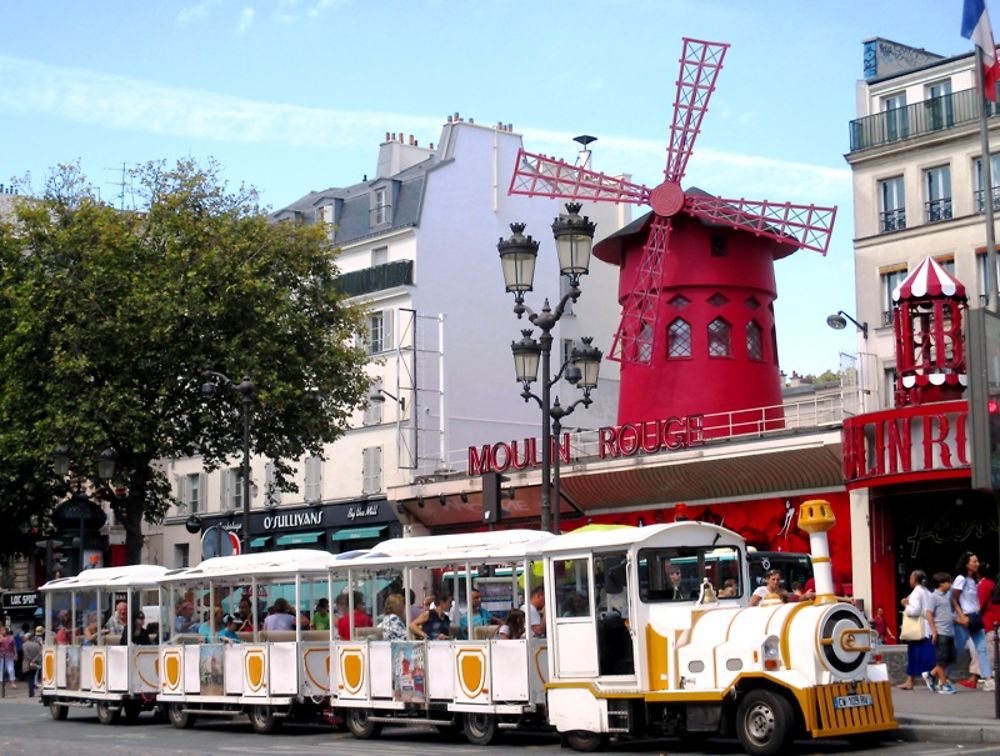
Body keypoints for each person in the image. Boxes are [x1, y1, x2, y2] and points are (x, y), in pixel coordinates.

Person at [952, 551, 994, 691]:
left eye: (977, 561)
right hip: (965, 618)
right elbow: (953, 599)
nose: (977, 564)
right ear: (967, 564)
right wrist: (961, 615)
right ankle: (936, 675)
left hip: (975, 618)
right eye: (974, 561)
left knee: (982, 649)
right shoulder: (960, 579)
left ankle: (988, 680)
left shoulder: (973, 580)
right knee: (957, 650)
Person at [898, 569, 934, 690]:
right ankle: (910, 680)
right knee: (921, 654)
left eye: (911, 577)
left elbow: (914, 611)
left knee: (918, 655)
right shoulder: (927, 592)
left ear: (914, 580)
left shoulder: (916, 593)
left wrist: (905, 605)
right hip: (926, 627)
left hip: (918, 628)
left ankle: (931, 677)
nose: (909, 580)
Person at [925, 572, 957, 694]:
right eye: (948, 582)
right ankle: (943, 684)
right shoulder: (933, 596)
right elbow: (929, 613)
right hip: (940, 632)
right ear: (940, 584)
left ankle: (931, 674)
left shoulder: (946, 596)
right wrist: (934, 631)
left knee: (948, 659)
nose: (950, 584)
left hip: (949, 632)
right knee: (941, 660)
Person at [970, 564, 995, 681]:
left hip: (987, 621)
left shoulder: (983, 585)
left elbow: (979, 604)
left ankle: (986, 677)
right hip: (991, 620)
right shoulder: (991, 584)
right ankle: (975, 676)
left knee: (985, 649)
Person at [22, 626, 42, 697]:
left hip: (27, 664)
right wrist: (34, 660)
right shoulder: (36, 645)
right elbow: (40, 653)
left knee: (29, 678)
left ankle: (31, 692)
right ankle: (32, 692)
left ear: (27, 638)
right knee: (33, 677)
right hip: (35, 664)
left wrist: (31, 660)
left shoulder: (24, 645)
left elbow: (26, 654)